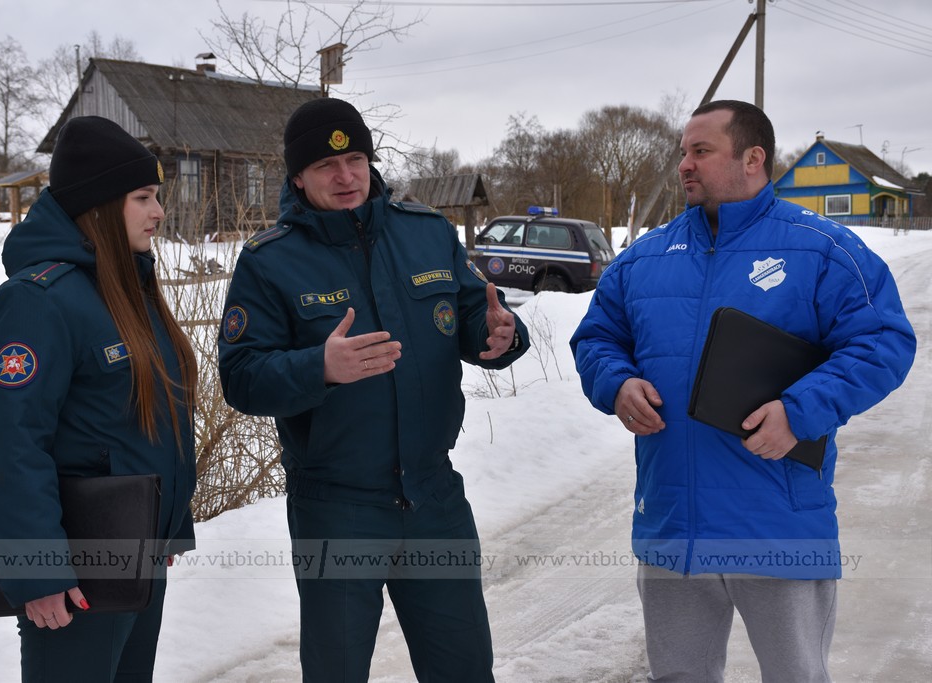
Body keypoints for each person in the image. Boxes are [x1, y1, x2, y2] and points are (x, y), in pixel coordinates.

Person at [570, 100, 916, 682]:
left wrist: (800, 412)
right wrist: (617, 382)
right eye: (683, 151)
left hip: (777, 524)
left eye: (700, 151)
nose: (685, 164)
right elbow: (597, 339)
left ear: (752, 158)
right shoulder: (645, 258)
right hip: (673, 523)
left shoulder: (821, 249)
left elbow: (883, 343)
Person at [217, 97, 529, 682]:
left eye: (355, 159)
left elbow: (472, 316)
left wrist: (500, 334)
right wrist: (319, 367)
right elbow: (240, 377)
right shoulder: (270, 262)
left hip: (434, 498)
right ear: (298, 178)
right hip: (337, 508)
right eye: (325, 167)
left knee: (464, 669)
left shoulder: (427, 233)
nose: (345, 176)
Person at [0, 116, 198, 682]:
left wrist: (166, 526)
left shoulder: (126, 290)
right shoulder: (37, 302)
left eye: (157, 197)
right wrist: (38, 571)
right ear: (99, 206)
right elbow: (13, 447)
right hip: (75, 571)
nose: (158, 212)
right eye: (143, 198)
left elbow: (153, 420)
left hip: (136, 554)